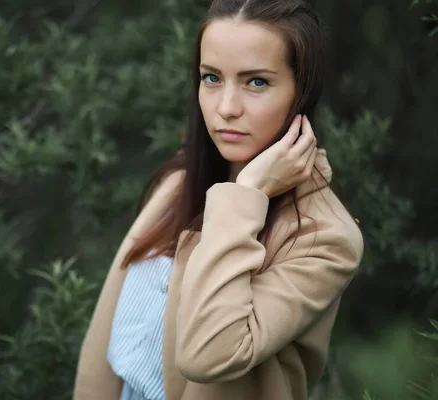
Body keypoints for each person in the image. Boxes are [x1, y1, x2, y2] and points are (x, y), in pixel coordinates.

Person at [73, 0, 364, 399]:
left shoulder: (322, 238)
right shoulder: (179, 185)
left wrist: (247, 195)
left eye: (256, 82)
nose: (226, 108)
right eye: (211, 78)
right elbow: (104, 355)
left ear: (302, 92)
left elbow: (207, 356)